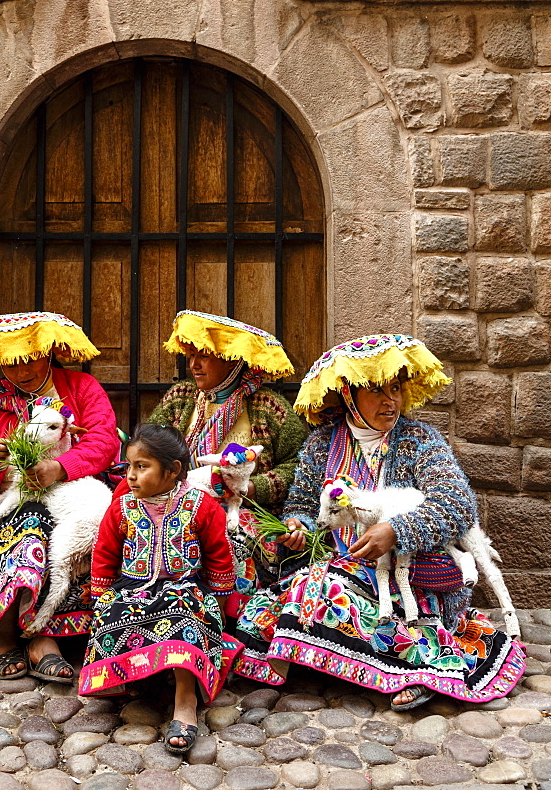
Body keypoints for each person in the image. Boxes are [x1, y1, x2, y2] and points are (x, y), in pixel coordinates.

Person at [233, 334, 526, 710]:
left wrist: (396, 530)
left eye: (396, 388)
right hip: (337, 565)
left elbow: (457, 503)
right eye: (376, 391)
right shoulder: (322, 443)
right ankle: (336, 654)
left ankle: (422, 670)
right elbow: (303, 504)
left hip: (410, 579)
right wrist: (299, 528)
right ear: (349, 397)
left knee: (320, 592)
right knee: (259, 611)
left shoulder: (420, 441)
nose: (391, 400)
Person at [0, 311, 120, 683]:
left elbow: (105, 442)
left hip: (72, 496)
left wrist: (60, 468)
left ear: (49, 352)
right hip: (9, 505)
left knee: (71, 520)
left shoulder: (82, 388)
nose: (22, 372)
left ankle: (44, 638)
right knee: (30, 518)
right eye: (10, 363)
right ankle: (5, 637)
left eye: (30, 358)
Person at [79, 423, 242, 753]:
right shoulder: (122, 507)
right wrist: (101, 596)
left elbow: (220, 554)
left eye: (142, 466)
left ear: (173, 470)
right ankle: (138, 677)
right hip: (132, 588)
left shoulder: (201, 506)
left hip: (185, 588)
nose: (132, 476)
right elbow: (105, 553)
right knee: (114, 612)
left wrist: (222, 603)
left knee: (182, 612)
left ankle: (185, 700)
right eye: (129, 467)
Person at [146, 310, 308, 599]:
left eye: (204, 356)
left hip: (242, 514)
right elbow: (149, 451)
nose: (193, 364)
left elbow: (298, 464)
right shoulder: (179, 400)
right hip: (177, 507)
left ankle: (229, 614)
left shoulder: (267, 406)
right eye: (191, 355)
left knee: (232, 539)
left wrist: (251, 488)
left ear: (234, 359)